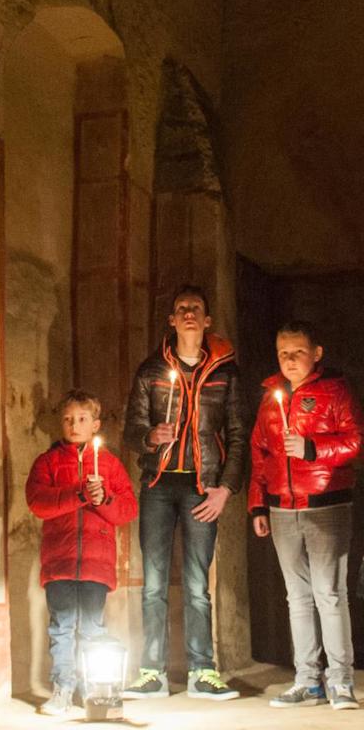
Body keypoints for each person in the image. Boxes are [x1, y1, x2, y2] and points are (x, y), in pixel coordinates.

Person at [122, 284, 244, 700]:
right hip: (158, 486)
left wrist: (225, 489)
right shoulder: (151, 371)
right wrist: (151, 437)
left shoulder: (225, 372)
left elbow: (238, 436)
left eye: (196, 308)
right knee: (153, 583)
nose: (188, 313)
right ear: (172, 321)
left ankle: (202, 672)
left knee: (197, 585)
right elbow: (131, 431)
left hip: (201, 488)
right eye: (181, 309)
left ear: (207, 320)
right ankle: (151, 672)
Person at [249, 320, 362, 710]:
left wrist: (313, 448)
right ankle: (307, 680)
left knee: (329, 594)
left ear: (316, 353)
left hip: (327, 504)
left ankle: (341, 681)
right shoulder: (270, 398)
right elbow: (260, 453)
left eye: (297, 352)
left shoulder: (334, 391)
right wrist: (258, 504)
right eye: (283, 353)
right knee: (296, 597)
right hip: (282, 508)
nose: (290, 360)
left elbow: (354, 439)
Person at [26, 389, 137, 716]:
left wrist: (104, 499)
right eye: (68, 419)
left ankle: (94, 692)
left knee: (91, 629)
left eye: (82, 419)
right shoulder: (47, 462)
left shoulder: (111, 466)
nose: (74, 424)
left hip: (95, 565)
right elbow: (37, 502)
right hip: (59, 563)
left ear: (96, 425)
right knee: (61, 627)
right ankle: (62, 688)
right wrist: (79, 494)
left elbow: (127, 510)